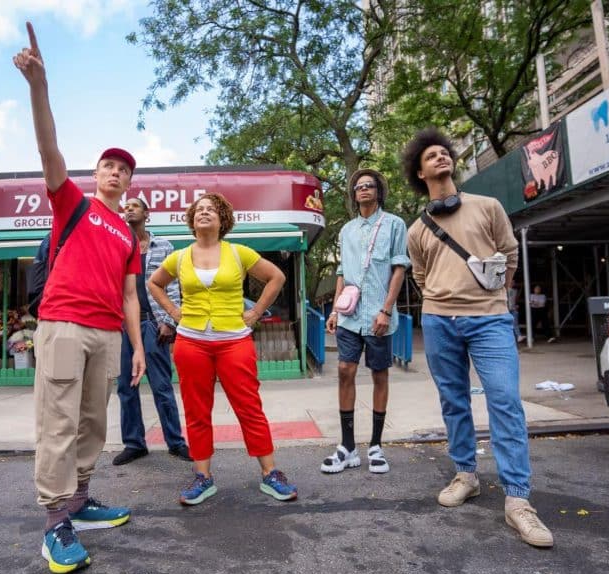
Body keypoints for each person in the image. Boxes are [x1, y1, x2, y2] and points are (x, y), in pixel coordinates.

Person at [14, 22, 147, 574]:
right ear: (97, 176)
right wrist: (39, 87)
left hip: (108, 333)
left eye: (124, 169)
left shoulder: (127, 235)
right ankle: (54, 524)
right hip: (64, 324)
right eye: (108, 166)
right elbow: (48, 148)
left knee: (93, 423)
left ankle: (80, 500)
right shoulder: (73, 203)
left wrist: (137, 346)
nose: (115, 172)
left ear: (131, 182)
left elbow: (130, 294)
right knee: (59, 423)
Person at [404, 127, 553, 548]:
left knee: (505, 401)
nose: (440, 158)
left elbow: (509, 254)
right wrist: (441, 300)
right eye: (430, 156)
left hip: (489, 321)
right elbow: (419, 275)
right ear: (419, 171)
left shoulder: (487, 206)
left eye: (443, 153)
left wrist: (496, 295)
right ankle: (465, 474)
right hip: (438, 321)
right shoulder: (417, 229)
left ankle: (518, 501)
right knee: (454, 402)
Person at [148, 192, 298, 505]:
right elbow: (154, 284)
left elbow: (277, 277)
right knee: (196, 411)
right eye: (199, 209)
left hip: (234, 341)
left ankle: (270, 474)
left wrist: (255, 312)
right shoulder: (179, 256)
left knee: (249, 407)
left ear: (222, 219)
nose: (204, 212)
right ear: (192, 220)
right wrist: (173, 314)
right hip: (191, 343)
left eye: (211, 209)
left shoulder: (238, 253)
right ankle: (203, 477)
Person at [323, 168, 409, 474]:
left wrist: (386, 310)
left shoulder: (395, 224)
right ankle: (347, 446)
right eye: (358, 186)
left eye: (369, 185)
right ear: (353, 194)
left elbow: (399, 269)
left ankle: (375, 445)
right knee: (345, 369)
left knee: (379, 374)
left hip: (377, 316)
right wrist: (334, 311)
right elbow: (342, 274)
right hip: (349, 315)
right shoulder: (346, 230)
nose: (363, 189)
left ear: (379, 191)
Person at [113, 198, 192, 465]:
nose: (129, 209)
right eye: (127, 206)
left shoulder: (164, 247)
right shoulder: (117, 245)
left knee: (161, 386)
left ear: (147, 214)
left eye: (135, 206)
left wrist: (170, 320)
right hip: (123, 325)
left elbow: (172, 287)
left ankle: (175, 442)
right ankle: (135, 444)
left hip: (153, 323)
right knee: (126, 386)